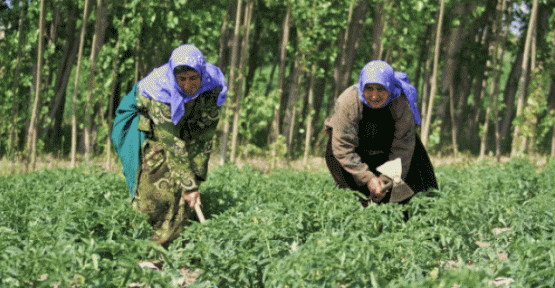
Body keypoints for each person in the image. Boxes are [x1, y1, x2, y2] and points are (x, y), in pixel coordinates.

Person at [111, 44, 227, 246]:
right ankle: (146, 243)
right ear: (174, 77)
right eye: (181, 79)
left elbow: (204, 134)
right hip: (152, 121)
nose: (187, 85)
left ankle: (180, 241)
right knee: (157, 174)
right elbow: (171, 142)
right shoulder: (160, 89)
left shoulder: (213, 85)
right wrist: (188, 185)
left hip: (187, 118)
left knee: (187, 173)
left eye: (193, 78)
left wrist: (195, 178)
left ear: (202, 74)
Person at [325, 60, 437, 206]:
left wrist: (385, 182)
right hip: (353, 153)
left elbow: (402, 148)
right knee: (356, 202)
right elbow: (343, 147)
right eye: (369, 88)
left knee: (414, 198)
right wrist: (368, 178)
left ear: (390, 87)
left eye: (381, 89)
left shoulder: (401, 104)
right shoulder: (348, 102)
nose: (374, 96)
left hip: (388, 152)